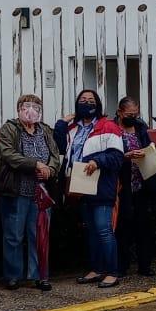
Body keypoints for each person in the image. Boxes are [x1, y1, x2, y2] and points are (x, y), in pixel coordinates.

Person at [55, 89, 125, 288]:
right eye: (83, 100)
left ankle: (112, 272)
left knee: (104, 229)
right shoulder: (72, 129)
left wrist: (97, 161)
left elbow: (117, 157)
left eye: (91, 100)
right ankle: (96, 269)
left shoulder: (108, 126)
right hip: (78, 185)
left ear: (98, 104)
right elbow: (59, 147)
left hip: (101, 185)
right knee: (91, 231)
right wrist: (61, 123)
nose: (86, 103)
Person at [0, 93, 59, 291]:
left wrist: (50, 169)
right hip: (16, 190)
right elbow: (9, 155)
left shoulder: (46, 130)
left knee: (38, 234)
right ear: (19, 109)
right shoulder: (9, 129)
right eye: (26, 106)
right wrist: (35, 164)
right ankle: (12, 275)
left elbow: (55, 156)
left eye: (36, 107)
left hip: (41, 192)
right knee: (13, 235)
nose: (31, 110)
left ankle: (38, 275)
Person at [114, 97, 156, 278]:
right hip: (122, 184)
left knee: (145, 227)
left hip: (142, 182)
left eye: (135, 114)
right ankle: (122, 265)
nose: (133, 117)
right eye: (129, 114)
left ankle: (145, 265)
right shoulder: (113, 129)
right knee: (123, 226)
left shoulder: (140, 128)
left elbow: (149, 146)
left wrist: (147, 151)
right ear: (119, 112)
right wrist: (125, 156)